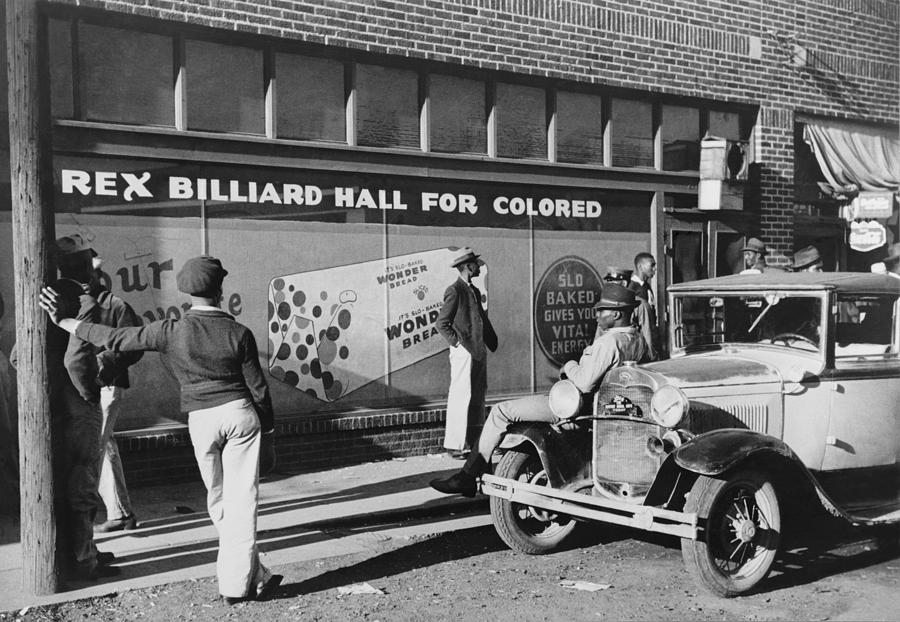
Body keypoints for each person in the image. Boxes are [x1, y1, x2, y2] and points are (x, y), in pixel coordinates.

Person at [40, 256, 281, 605]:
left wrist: (65, 320)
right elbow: (259, 390)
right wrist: (270, 435)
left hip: (201, 420)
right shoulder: (240, 333)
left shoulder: (170, 330)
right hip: (240, 415)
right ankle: (238, 584)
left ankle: (252, 576)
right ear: (221, 290)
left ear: (185, 291)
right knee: (242, 502)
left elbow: (114, 338)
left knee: (218, 501)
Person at [429, 283, 646, 497]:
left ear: (617, 314)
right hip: (602, 410)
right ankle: (482, 469)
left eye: (602, 311)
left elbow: (584, 383)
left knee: (500, 412)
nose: (597, 315)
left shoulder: (609, 343)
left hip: (576, 408)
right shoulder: (637, 340)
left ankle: (467, 476)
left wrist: (569, 365)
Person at [54, 236, 146, 534]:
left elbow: (133, 346)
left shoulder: (114, 304)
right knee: (104, 448)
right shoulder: (67, 299)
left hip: (105, 386)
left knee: (97, 449)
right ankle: (121, 512)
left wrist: (104, 366)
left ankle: (118, 513)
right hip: (87, 386)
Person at [436, 247, 498, 459]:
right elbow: (441, 323)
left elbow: (482, 318)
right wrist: (457, 344)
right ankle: (455, 445)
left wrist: (490, 340)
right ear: (468, 266)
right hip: (465, 351)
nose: (479, 267)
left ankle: (472, 443)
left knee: (477, 398)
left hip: (478, 350)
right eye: (476, 264)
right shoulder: (455, 290)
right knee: (461, 397)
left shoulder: (474, 290)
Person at [604, 267, 656, 362]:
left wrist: (649, 361)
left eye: (612, 281)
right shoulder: (606, 304)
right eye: (608, 281)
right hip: (610, 356)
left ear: (624, 283)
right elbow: (600, 334)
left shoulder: (641, 305)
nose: (608, 285)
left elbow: (647, 336)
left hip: (632, 357)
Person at [627, 253, 661, 358]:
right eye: (652, 265)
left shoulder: (646, 286)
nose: (655, 269)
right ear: (640, 267)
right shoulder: (632, 289)